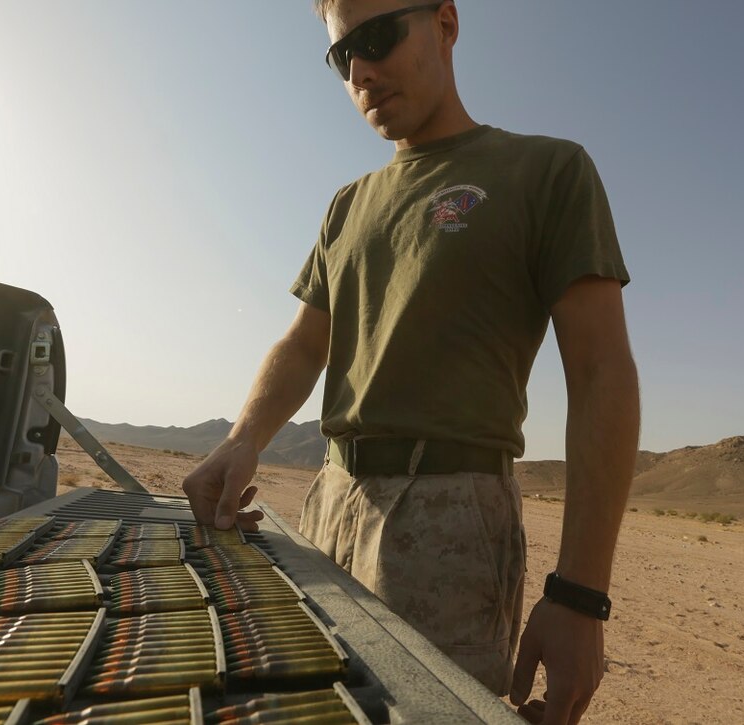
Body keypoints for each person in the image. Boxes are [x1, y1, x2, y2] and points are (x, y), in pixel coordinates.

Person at [182, 1, 640, 722]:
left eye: (376, 37)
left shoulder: (547, 170)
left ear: (445, 23)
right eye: (341, 57)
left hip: (450, 519)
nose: (361, 69)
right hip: (328, 502)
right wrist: (243, 437)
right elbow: (305, 345)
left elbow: (600, 371)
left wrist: (581, 592)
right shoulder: (347, 205)